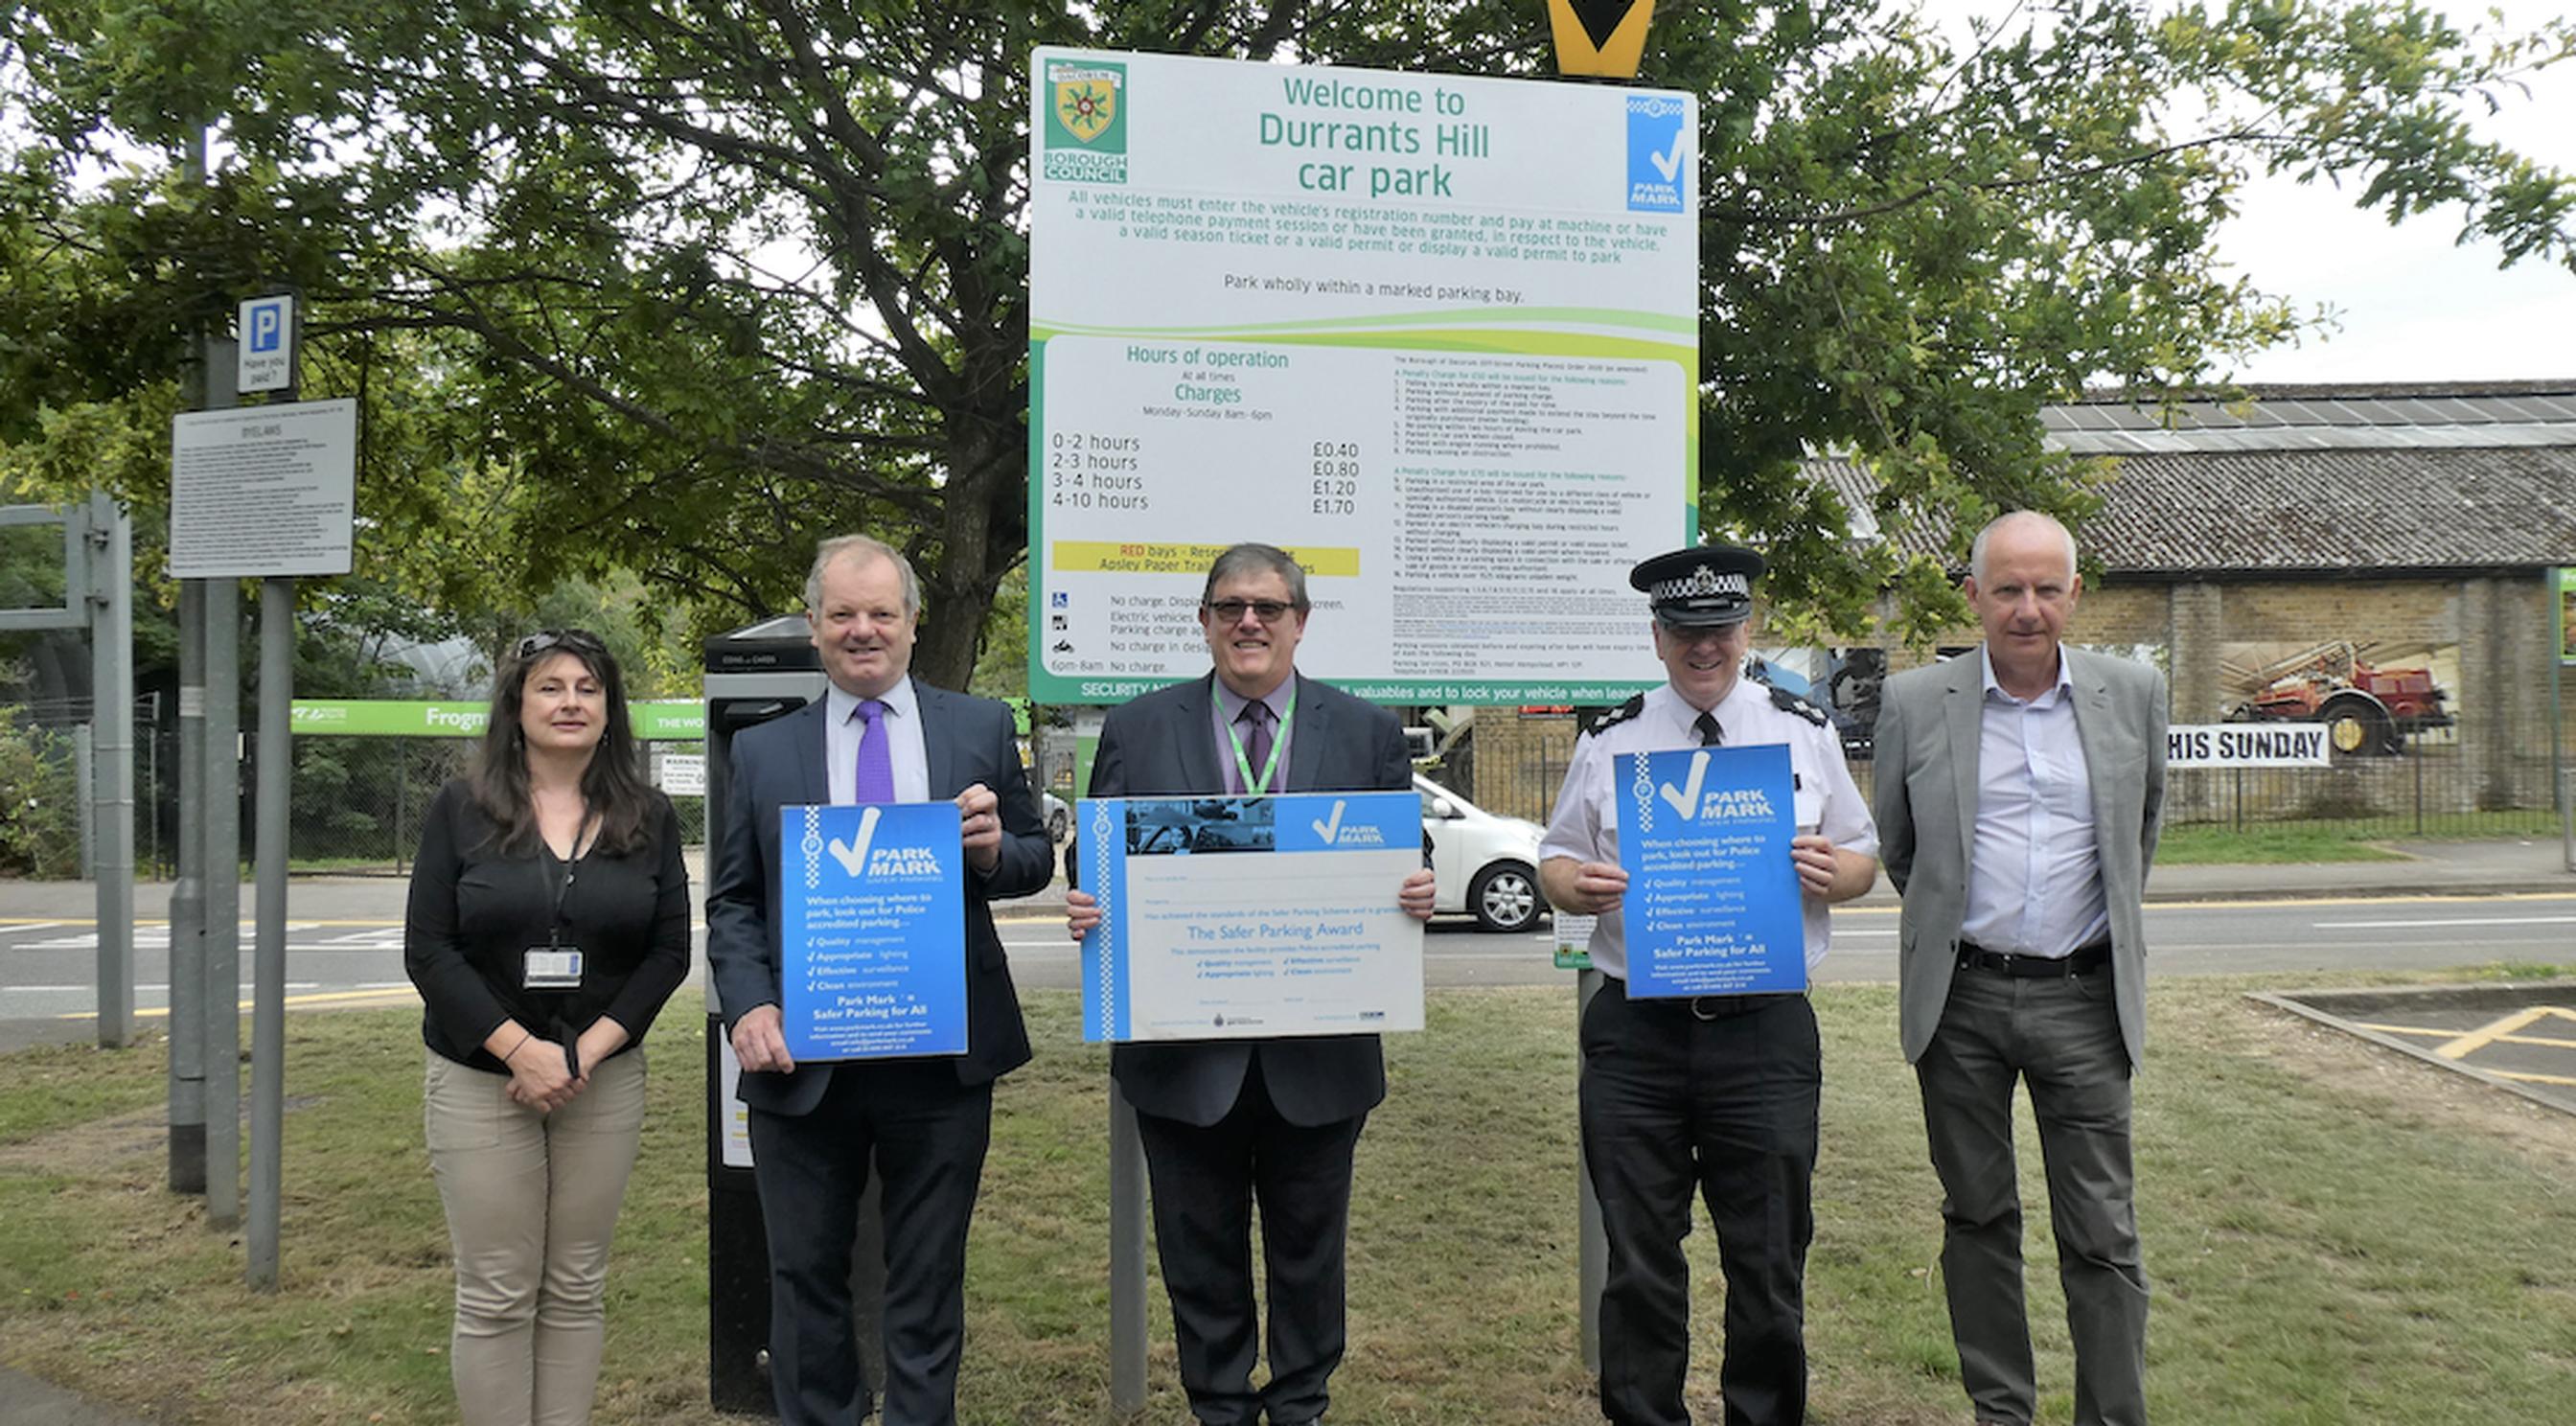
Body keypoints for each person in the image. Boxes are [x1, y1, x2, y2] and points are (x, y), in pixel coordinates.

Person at [1064, 541, 1436, 1426]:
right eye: (1230, 607)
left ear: (1300, 623)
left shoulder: (1367, 731)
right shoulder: (1139, 727)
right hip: (1183, 1053)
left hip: (1320, 1054)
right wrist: (1090, 899)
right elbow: (1096, 856)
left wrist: (1415, 883)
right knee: (1198, 1254)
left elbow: (1401, 854)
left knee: (1311, 1253)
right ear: (1204, 622)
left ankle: (1302, 1402)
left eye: (1269, 608)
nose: (1249, 623)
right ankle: (1219, 1406)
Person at [705, 534, 1050, 1426]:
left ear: (910, 621)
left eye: (882, 613)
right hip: (803, 1055)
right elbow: (734, 901)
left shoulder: (976, 726)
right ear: (815, 624)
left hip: (939, 1059)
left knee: (928, 1273)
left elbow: (1031, 860)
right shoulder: (763, 751)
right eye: (844, 614)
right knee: (803, 1273)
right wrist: (748, 1003)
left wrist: (988, 855)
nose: (864, 631)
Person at [1537, 544, 1878, 1426]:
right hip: (1635, 1036)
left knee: (1767, 1257)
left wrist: (1831, 872)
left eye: (1720, 629)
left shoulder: (1803, 730)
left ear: (1747, 629)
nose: (1704, 649)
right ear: (1657, 637)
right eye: (1684, 632)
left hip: (1762, 1032)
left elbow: (1864, 857)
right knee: (1641, 1256)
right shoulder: (1611, 739)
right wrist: (1572, 886)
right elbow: (1556, 859)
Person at [1871, 510, 2167, 1426]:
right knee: (1979, 1217)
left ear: (2075, 595)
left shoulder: (2134, 692)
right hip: (1960, 1001)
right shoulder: (1918, 702)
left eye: (2046, 588)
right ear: (1973, 597)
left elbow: (2138, 838)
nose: (2027, 609)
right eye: (2007, 589)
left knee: (2103, 1232)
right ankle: (2003, 1410)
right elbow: (1901, 848)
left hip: (2083, 1000)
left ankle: (2110, 1414)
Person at [405, 628, 691, 1426]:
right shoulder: (461, 810)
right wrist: (521, 1052)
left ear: (610, 710)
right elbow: (428, 950)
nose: (570, 702)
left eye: (587, 689)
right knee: (497, 1291)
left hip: (601, 1080)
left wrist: (585, 1053)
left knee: (575, 1285)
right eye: (551, 687)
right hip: (481, 1079)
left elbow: (668, 953)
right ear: (517, 704)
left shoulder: (649, 815)